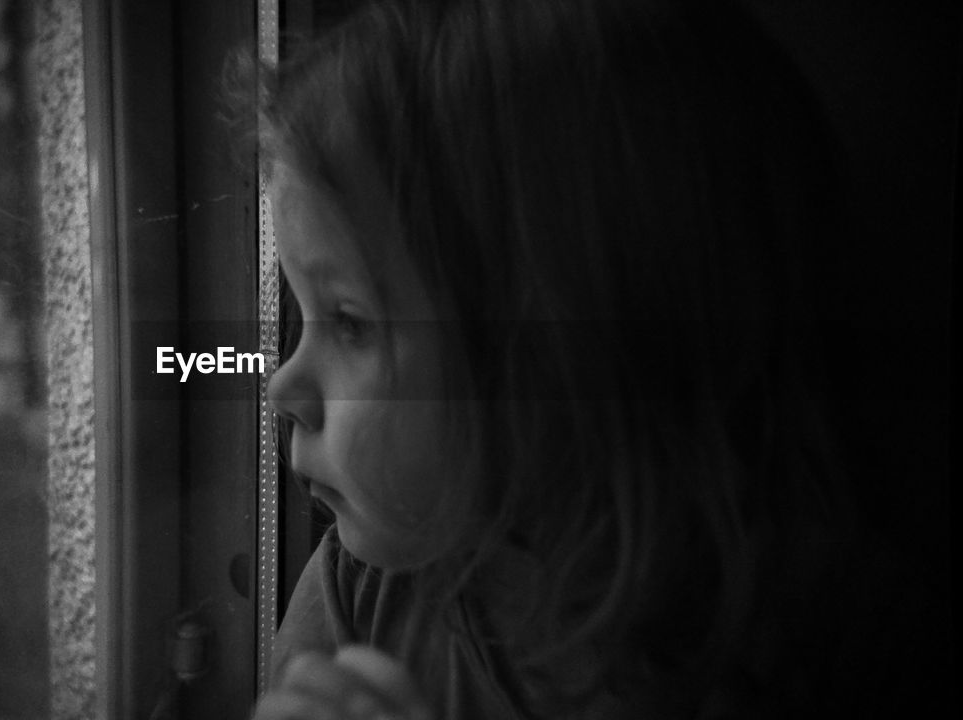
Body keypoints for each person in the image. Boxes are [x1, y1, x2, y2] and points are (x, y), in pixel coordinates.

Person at [252, 0, 894, 717]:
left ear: (563, 356)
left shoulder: (815, 644)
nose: (282, 388)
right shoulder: (357, 594)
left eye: (349, 322)